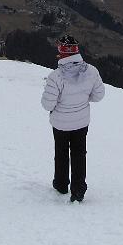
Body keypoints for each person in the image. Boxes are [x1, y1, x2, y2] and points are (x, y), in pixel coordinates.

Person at [40, 35, 105, 203]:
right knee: (79, 154)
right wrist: (82, 100)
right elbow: (98, 96)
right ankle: (78, 190)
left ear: (61, 53)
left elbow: (47, 105)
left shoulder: (56, 77)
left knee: (61, 153)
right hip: (81, 122)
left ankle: (61, 185)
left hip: (60, 123)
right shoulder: (91, 71)